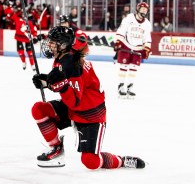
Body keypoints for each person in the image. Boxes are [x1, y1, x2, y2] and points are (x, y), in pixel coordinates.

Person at [31, 26, 146, 169]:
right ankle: (56, 148)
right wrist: (47, 82)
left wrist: (60, 86)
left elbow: (74, 101)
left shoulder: (72, 65)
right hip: (75, 108)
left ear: (63, 45)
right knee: (39, 109)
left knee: (90, 161)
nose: (49, 45)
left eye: (53, 42)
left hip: (90, 115)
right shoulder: (63, 57)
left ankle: (121, 161)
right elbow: (65, 84)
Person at [114, 2, 152, 99]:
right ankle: (121, 86)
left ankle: (130, 87)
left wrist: (146, 49)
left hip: (138, 48)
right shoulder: (129, 18)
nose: (144, 11)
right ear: (138, 9)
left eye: (146, 9)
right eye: (142, 8)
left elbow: (147, 38)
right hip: (126, 45)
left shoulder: (147, 24)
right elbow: (121, 30)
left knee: (134, 67)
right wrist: (118, 41)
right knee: (124, 66)